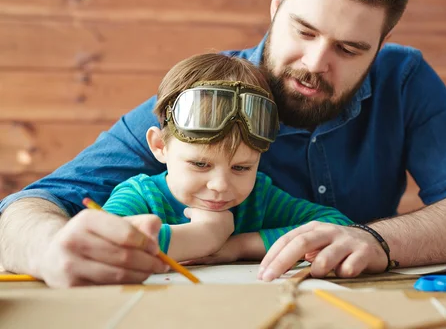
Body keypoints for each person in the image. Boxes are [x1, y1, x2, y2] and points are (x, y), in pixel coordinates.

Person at [0, 0, 446, 287]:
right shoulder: (204, 94)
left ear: (382, 43)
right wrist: (49, 249)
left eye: (350, 49)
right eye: (304, 30)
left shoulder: (404, 79)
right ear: (275, 3)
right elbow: (26, 208)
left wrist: (377, 241)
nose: (315, 64)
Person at [101, 53, 352, 263]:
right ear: (159, 146)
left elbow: (338, 226)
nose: (220, 185)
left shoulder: (258, 199)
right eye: (200, 164)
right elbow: (106, 243)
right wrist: (205, 236)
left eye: (241, 167)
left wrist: (238, 246)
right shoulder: (141, 195)